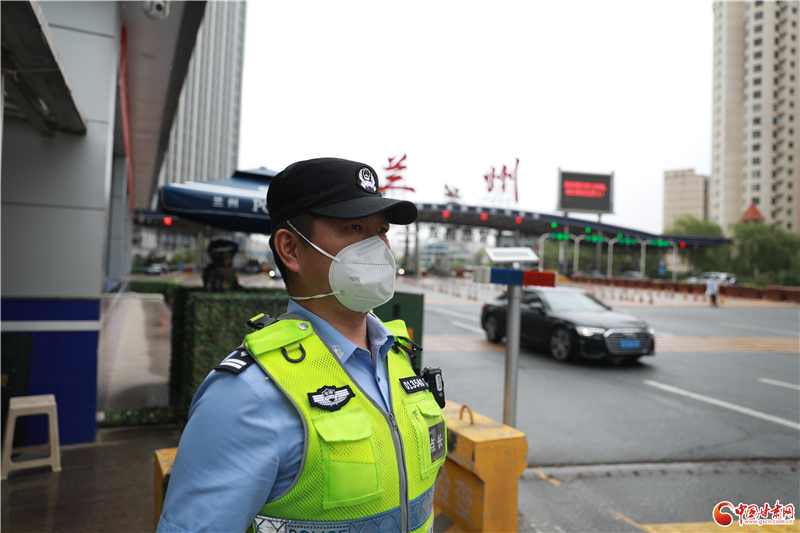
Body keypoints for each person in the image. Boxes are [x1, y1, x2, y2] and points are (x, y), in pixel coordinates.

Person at [157, 158, 446, 533]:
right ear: (290, 249)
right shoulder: (247, 395)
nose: (377, 247)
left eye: (381, 230)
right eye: (354, 227)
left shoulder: (398, 355)